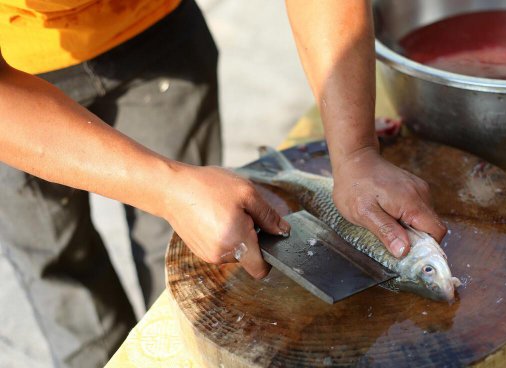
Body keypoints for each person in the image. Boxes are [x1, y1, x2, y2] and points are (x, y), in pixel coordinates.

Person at [0, 0, 446, 366]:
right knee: (61, 270)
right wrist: (166, 187)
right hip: (14, 70)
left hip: (155, 29)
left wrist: (355, 153)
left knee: (187, 253)